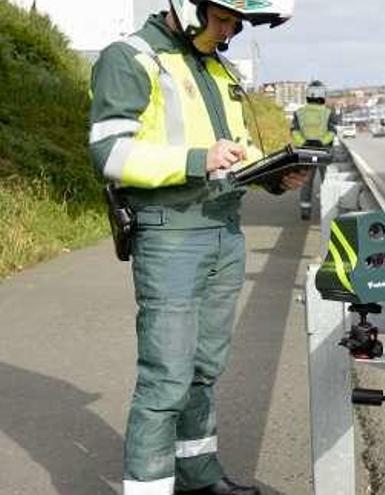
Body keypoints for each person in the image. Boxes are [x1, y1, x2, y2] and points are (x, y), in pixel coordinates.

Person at [88, 1, 301, 494]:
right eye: (223, 18)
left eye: (237, 23)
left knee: (203, 371)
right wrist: (196, 160)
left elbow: (236, 152)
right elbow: (110, 153)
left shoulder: (214, 66)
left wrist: (272, 178)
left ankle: (199, 477)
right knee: (166, 379)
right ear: (189, 6)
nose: (229, 31)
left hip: (224, 231)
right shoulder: (131, 58)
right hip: (171, 237)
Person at [290, 80, 337, 220]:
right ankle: (327, 211)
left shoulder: (299, 112)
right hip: (324, 152)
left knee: (306, 182)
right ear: (322, 94)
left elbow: (294, 131)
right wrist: (321, 142)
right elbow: (333, 131)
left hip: (305, 152)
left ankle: (305, 211)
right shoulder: (329, 112)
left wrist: (304, 142)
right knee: (326, 183)